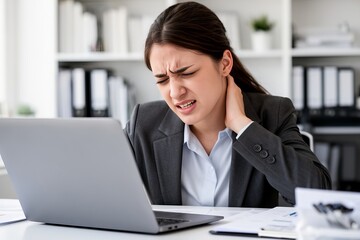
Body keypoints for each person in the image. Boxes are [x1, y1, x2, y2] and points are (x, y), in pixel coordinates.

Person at [125, 1, 331, 208]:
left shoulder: (273, 114)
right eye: (162, 80)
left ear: (224, 64)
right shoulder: (143, 124)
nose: (175, 92)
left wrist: (243, 126)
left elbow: (317, 195)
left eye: (186, 73)